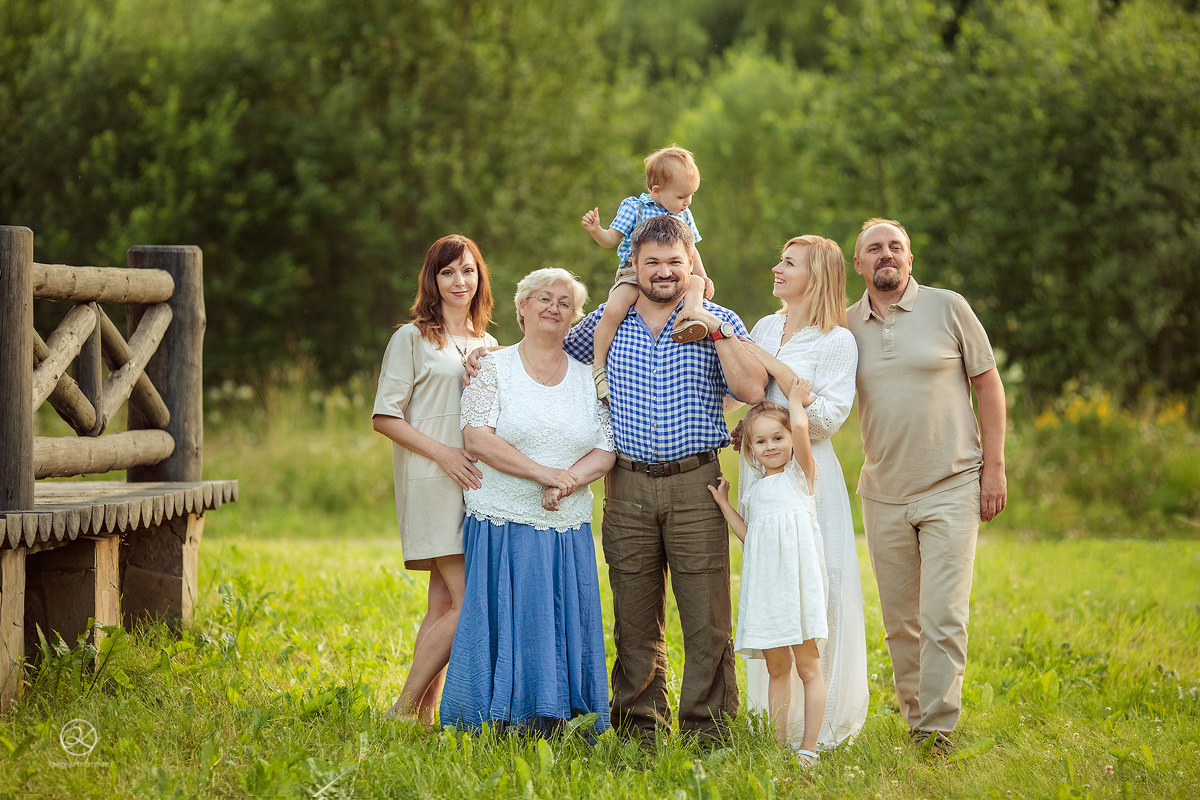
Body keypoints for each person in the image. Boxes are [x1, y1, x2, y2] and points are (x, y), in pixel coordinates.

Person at [562, 214, 768, 745]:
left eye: (674, 261)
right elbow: (544, 358)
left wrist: (709, 321)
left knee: (706, 615)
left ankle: (709, 733)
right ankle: (640, 732)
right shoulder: (606, 327)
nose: (663, 272)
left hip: (698, 485)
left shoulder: (717, 320)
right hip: (625, 486)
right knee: (633, 614)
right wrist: (480, 364)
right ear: (632, 264)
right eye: (651, 262)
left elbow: (751, 388)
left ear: (689, 263)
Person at [847, 218, 1008, 754]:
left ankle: (937, 729)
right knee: (900, 622)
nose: (886, 254)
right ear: (859, 264)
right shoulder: (844, 327)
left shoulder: (948, 307)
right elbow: (806, 385)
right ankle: (917, 721)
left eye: (896, 246)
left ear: (910, 259)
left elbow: (988, 384)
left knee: (942, 615)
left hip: (953, 483)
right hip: (883, 491)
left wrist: (995, 467)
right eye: (875, 249)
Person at [438, 268, 616, 734]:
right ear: (521, 309)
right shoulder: (491, 368)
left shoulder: (588, 378)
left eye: (564, 302)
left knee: (559, 614)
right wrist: (544, 475)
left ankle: (561, 718)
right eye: (543, 298)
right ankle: (493, 718)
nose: (554, 307)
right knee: (500, 615)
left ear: (575, 317)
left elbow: (606, 446)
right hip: (502, 517)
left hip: (566, 520)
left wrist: (569, 481)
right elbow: (476, 438)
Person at [733, 235, 869, 750]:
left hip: (810, 479)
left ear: (818, 276)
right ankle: (773, 723)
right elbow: (747, 393)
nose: (777, 268)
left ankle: (823, 725)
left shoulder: (837, 340)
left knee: (819, 584)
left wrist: (787, 406)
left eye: (789, 263)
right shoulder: (766, 326)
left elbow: (830, 418)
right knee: (771, 585)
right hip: (760, 477)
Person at [372, 234, 497, 723]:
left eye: (467, 270)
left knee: (443, 601)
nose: (459, 280)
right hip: (432, 475)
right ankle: (403, 708)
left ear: (479, 276)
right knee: (469, 602)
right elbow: (386, 416)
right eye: (448, 272)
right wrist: (445, 454)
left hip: (476, 482)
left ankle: (423, 717)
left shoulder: (488, 345)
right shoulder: (412, 338)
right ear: (433, 279)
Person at [708, 387, 827, 766]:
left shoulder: (800, 476)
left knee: (808, 665)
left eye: (778, 437)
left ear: (791, 438)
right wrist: (725, 504)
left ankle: (808, 748)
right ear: (750, 449)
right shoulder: (756, 491)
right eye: (760, 441)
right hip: (768, 592)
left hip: (798, 588)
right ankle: (776, 748)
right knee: (778, 668)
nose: (771, 446)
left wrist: (794, 403)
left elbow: (804, 431)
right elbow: (750, 537)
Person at [581, 145, 715, 400]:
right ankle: (599, 368)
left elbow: (692, 250)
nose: (687, 202)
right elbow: (611, 239)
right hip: (635, 273)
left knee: (696, 283)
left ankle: (690, 318)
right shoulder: (635, 208)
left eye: (691, 195)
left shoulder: (684, 213)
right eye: (681, 196)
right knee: (613, 310)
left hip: (675, 274)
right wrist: (597, 229)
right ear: (657, 191)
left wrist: (703, 275)